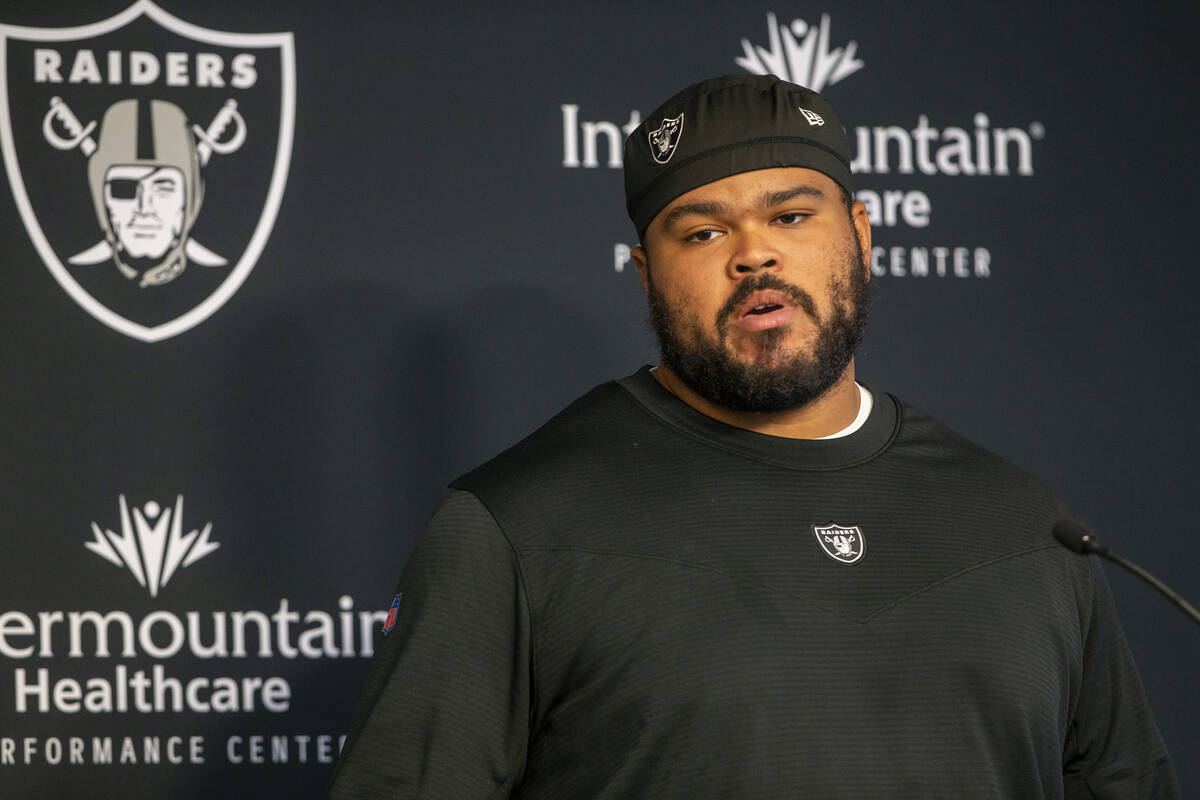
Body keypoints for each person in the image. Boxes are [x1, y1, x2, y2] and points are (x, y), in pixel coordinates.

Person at [325, 75, 1178, 798]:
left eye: (792, 217)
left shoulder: (1024, 525)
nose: (754, 256)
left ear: (863, 237)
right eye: (703, 232)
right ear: (645, 274)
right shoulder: (513, 528)